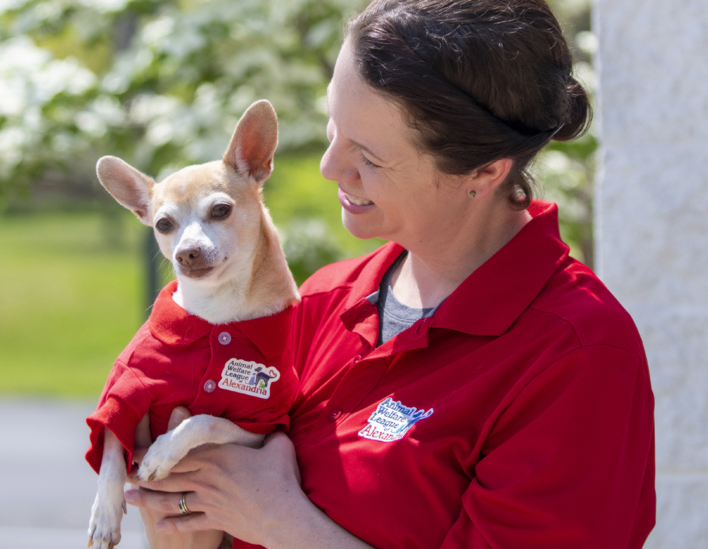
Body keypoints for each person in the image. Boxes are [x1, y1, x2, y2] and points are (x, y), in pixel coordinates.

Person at [125, 0, 656, 547]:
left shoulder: (577, 355)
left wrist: (283, 522)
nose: (330, 167)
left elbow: (261, 508)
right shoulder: (323, 300)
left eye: (370, 156)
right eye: (334, 126)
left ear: (485, 170)